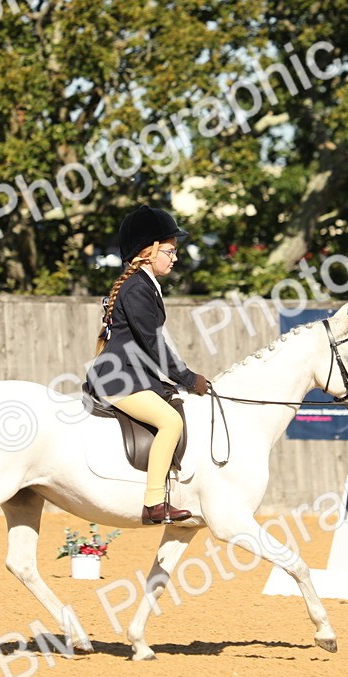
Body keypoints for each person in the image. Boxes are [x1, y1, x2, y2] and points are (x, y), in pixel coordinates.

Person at [83, 205, 209, 525]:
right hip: (118, 379)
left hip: (130, 374)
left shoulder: (143, 283)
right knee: (170, 422)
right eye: (170, 251)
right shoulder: (137, 287)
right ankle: (154, 502)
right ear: (148, 252)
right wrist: (187, 377)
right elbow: (153, 345)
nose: (175, 257)